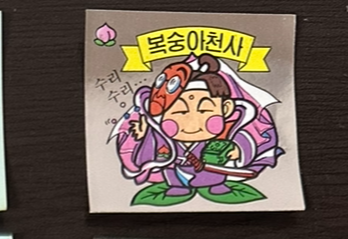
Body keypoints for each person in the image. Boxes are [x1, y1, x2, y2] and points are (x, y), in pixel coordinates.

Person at [116, 52, 281, 206]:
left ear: (226, 109)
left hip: (212, 172)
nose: (192, 123)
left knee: (214, 177)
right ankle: (178, 187)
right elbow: (150, 154)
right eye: (180, 112)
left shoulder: (228, 132)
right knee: (173, 174)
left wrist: (238, 149)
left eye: (204, 110)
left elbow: (243, 139)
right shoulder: (161, 136)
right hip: (177, 171)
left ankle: (216, 185)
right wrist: (144, 135)